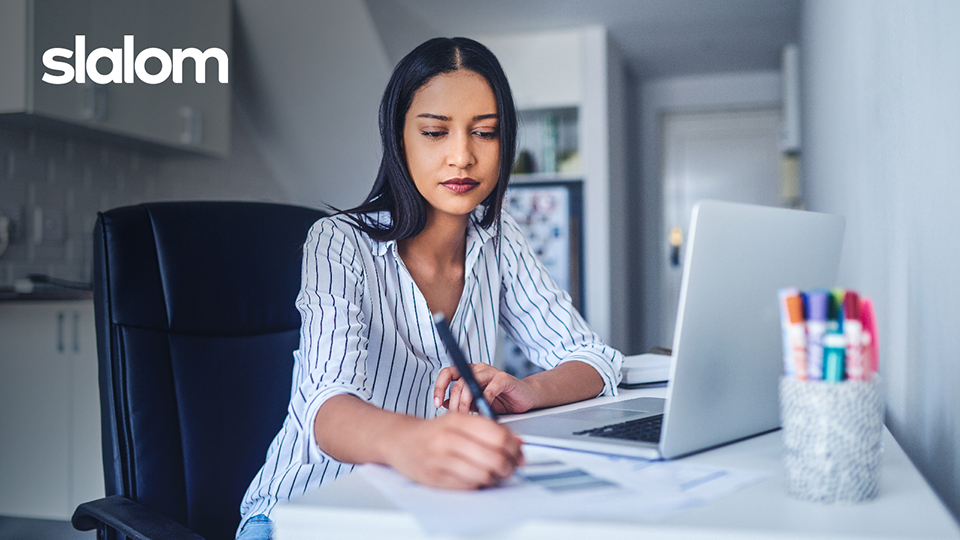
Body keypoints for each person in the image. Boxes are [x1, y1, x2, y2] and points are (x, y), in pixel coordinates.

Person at [237, 36, 623, 539]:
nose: (462, 157)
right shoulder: (338, 243)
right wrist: (417, 442)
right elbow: (326, 408)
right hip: (306, 511)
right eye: (436, 133)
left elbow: (595, 361)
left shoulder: (500, 238)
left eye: (485, 133)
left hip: (431, 511)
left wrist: (528, 389)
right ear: (400, 140)